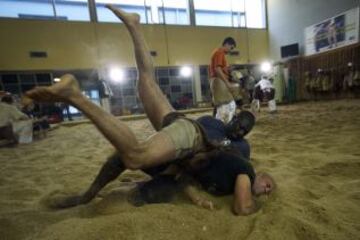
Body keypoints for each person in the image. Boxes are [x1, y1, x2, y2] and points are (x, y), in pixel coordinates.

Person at [24, 5, 275, 216]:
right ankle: (75, 96)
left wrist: (195, 196)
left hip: (180, 129)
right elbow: (242, 205)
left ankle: (134, 26)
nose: (240, 128)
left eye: (244, 129)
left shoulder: (234, 144)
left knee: (146, 81)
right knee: (135, 156)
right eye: (268, 184)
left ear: (244, 135)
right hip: (188, 136)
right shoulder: (241, 159)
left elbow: (187, 172)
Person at [209, 37, 238, 124]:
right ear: (227, 44)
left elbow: (219, 68)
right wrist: (227, 83)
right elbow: (217, 69)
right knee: (227, 106)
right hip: (219, 81)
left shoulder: (218, 52)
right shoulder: (219, 52)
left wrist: (227, 69)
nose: (230, 50)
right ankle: (219, 130)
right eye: (231, 47)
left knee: (225, 107)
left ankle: (219, 128)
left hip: (217, 81)